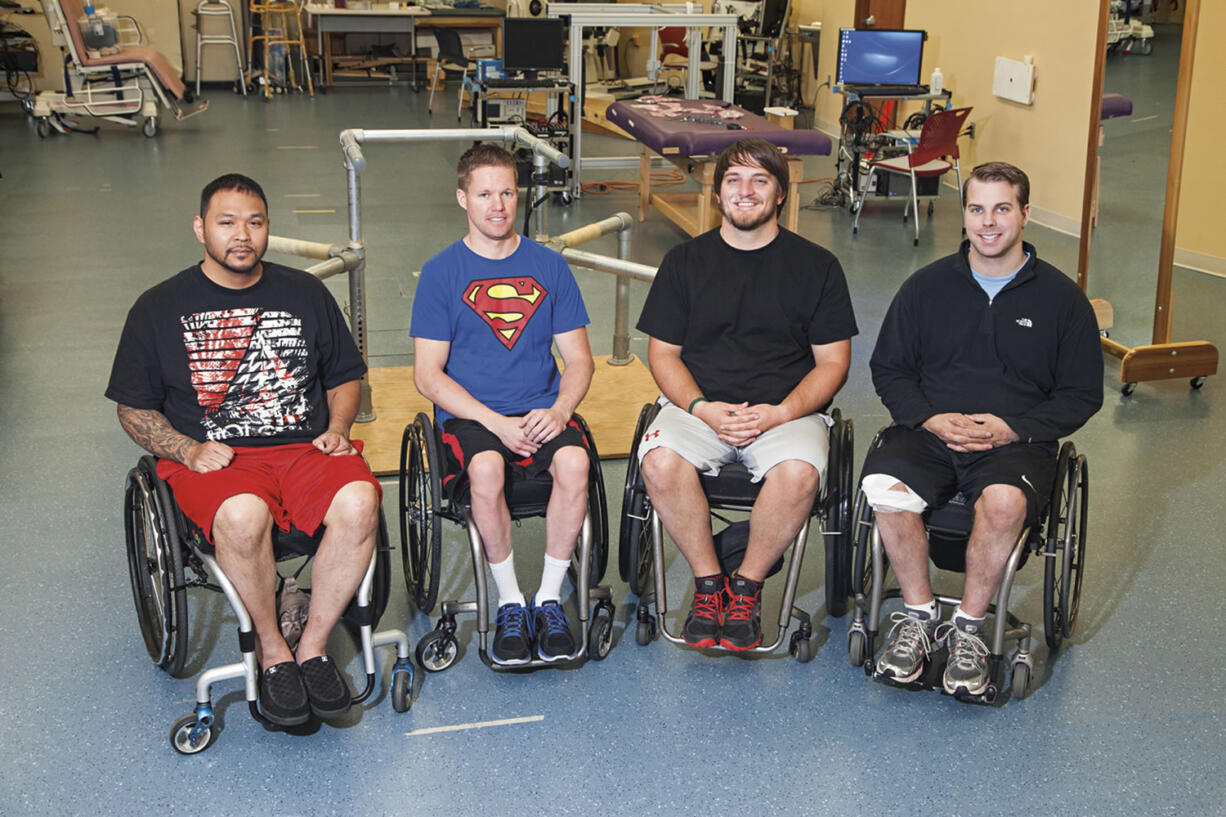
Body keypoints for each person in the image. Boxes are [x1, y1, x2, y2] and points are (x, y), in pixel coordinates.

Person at [106, 173, 381, 727]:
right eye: (226, 222)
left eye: (254, 223)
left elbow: (345, 375)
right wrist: (184, 449)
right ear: (199, 228)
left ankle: (314, 648)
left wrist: (340, 425)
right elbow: (133, 408)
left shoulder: (304, 293)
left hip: (304, 448)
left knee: (360, 501)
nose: (241, 235)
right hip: (217, 458)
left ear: (267, 230)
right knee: (241, 515)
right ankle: (275, 651)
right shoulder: (159, 308)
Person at [863, 161, 1103, 696]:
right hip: (930, 432)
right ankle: (920, 619)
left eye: (1001, 208)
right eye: (976, 209)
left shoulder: (1063, 301)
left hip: (1013, 445)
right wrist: (928, 417)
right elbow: (890, 369)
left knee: (1003, 506)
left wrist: (1012, 429)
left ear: (1025, 214)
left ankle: (969, 631)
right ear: (965, 214)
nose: (988, 222)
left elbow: (1083, 394)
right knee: (885, 488)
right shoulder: (925, 288)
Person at [636, 138, 858, 651]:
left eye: (760, 180)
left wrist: (781, 412)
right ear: (717, 195)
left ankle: (747, 587)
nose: (745, 191)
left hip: (784, 412)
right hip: (700, 407)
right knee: (660, 464)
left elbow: (833, 364)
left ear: (780, 194)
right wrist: (701, 408)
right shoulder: (684, 262)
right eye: (733, 180)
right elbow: (664, 355)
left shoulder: (817, 268)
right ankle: (709, 584)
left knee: (800, 475)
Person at [411, 144, 595, 666]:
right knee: (487, 470)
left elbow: (579, 360)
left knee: (576, 462)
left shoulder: (549, 267)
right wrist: (494, 422)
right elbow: (428, 375)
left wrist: (559, 410)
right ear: (462, 198)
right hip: (474, 415)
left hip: (540, 408)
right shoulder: (441, 273)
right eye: (485, 193)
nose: (498, 205)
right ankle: (511, 601)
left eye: (508, 192)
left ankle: (551, 598)